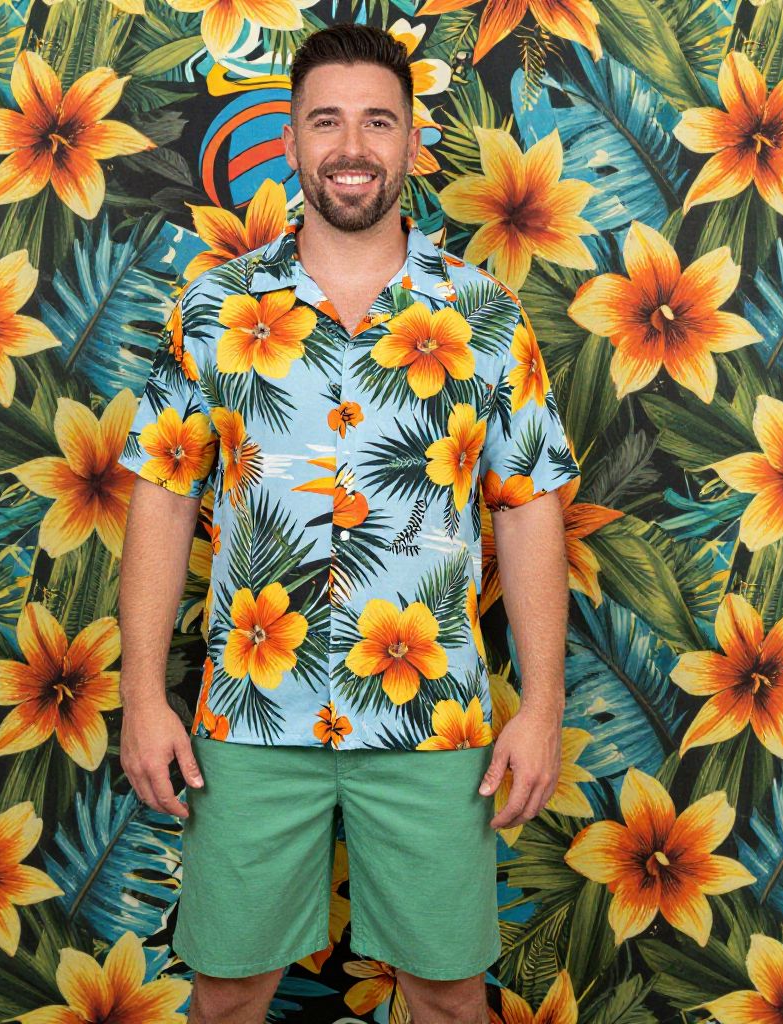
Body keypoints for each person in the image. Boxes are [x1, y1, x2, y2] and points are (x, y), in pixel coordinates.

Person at [117, 22, 578, 1024]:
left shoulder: (486, 318)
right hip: (248, 714)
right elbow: (160, 499)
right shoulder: (213, 310)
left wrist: (539, 706)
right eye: (326, 120)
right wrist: (141, 696)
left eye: (378, 121)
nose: (352, 145)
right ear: (290, 139)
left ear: (415, 143)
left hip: (432, 721)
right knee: (229, 988)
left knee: (450, 993)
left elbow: (531, 512)